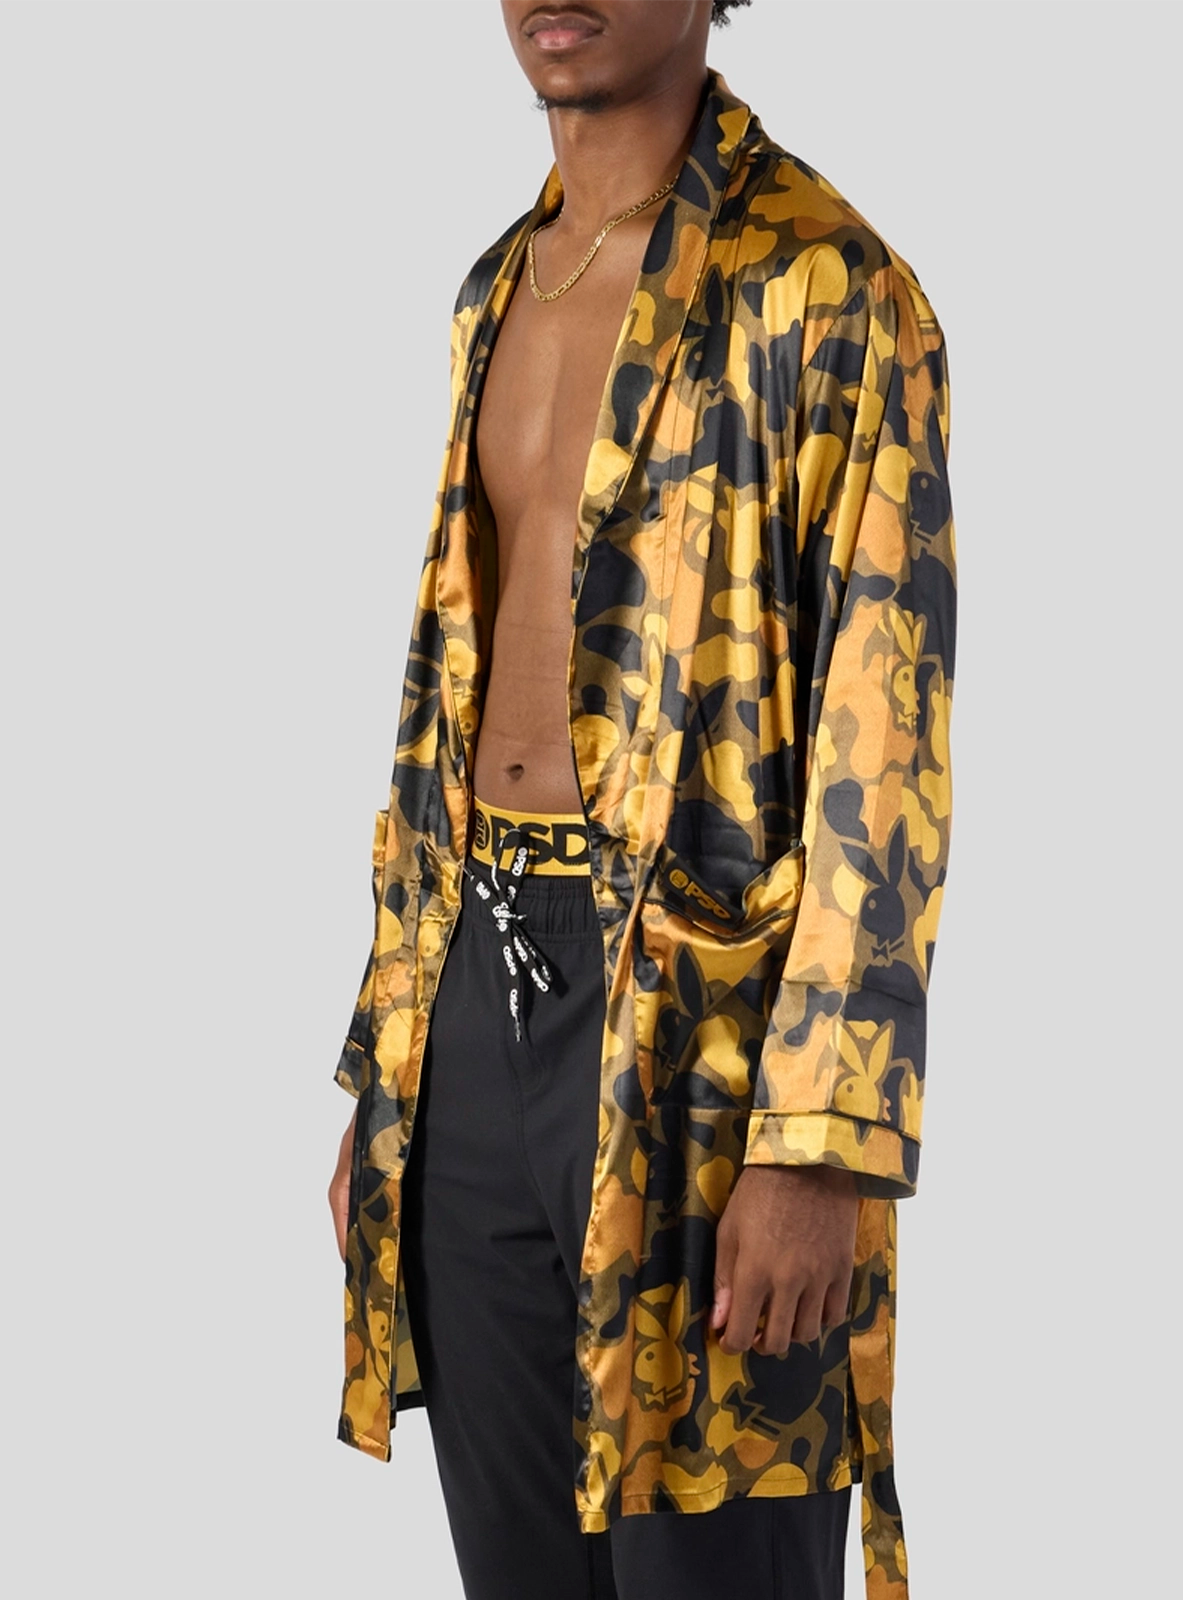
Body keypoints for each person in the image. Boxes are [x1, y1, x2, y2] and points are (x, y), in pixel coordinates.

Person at [326, 3, 956, 1597]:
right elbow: (444, 691)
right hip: (472, 1005)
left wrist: (821, 1145)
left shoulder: (828, 284)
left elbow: (885, 737)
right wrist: (392, 1065)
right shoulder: (495, 287)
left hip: (709, 1042)